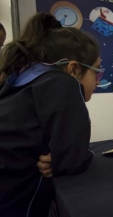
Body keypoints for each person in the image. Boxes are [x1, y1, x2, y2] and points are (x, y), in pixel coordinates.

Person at [0, 13, 103, 216]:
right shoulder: (65, 83)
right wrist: (62, 158)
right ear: (73, 70)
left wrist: (59, 157)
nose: (98, 81)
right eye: (96, 71)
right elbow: (74, 159)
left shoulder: (18, 80)